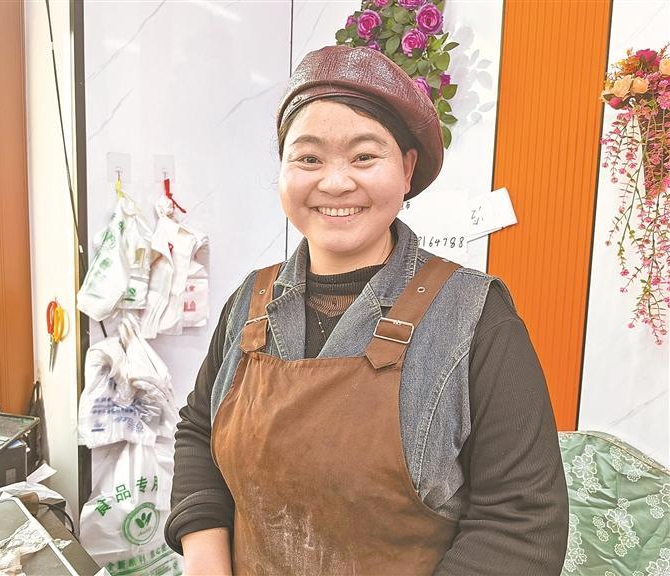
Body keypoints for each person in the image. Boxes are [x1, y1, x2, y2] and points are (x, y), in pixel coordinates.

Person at [165, 45, 568, 575]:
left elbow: (521, 523)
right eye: (308, 158)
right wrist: (206, 563)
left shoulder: (475, 316)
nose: (335, 182)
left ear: (406, 169)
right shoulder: (249, 300)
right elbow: (199, 432)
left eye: (363, 157)